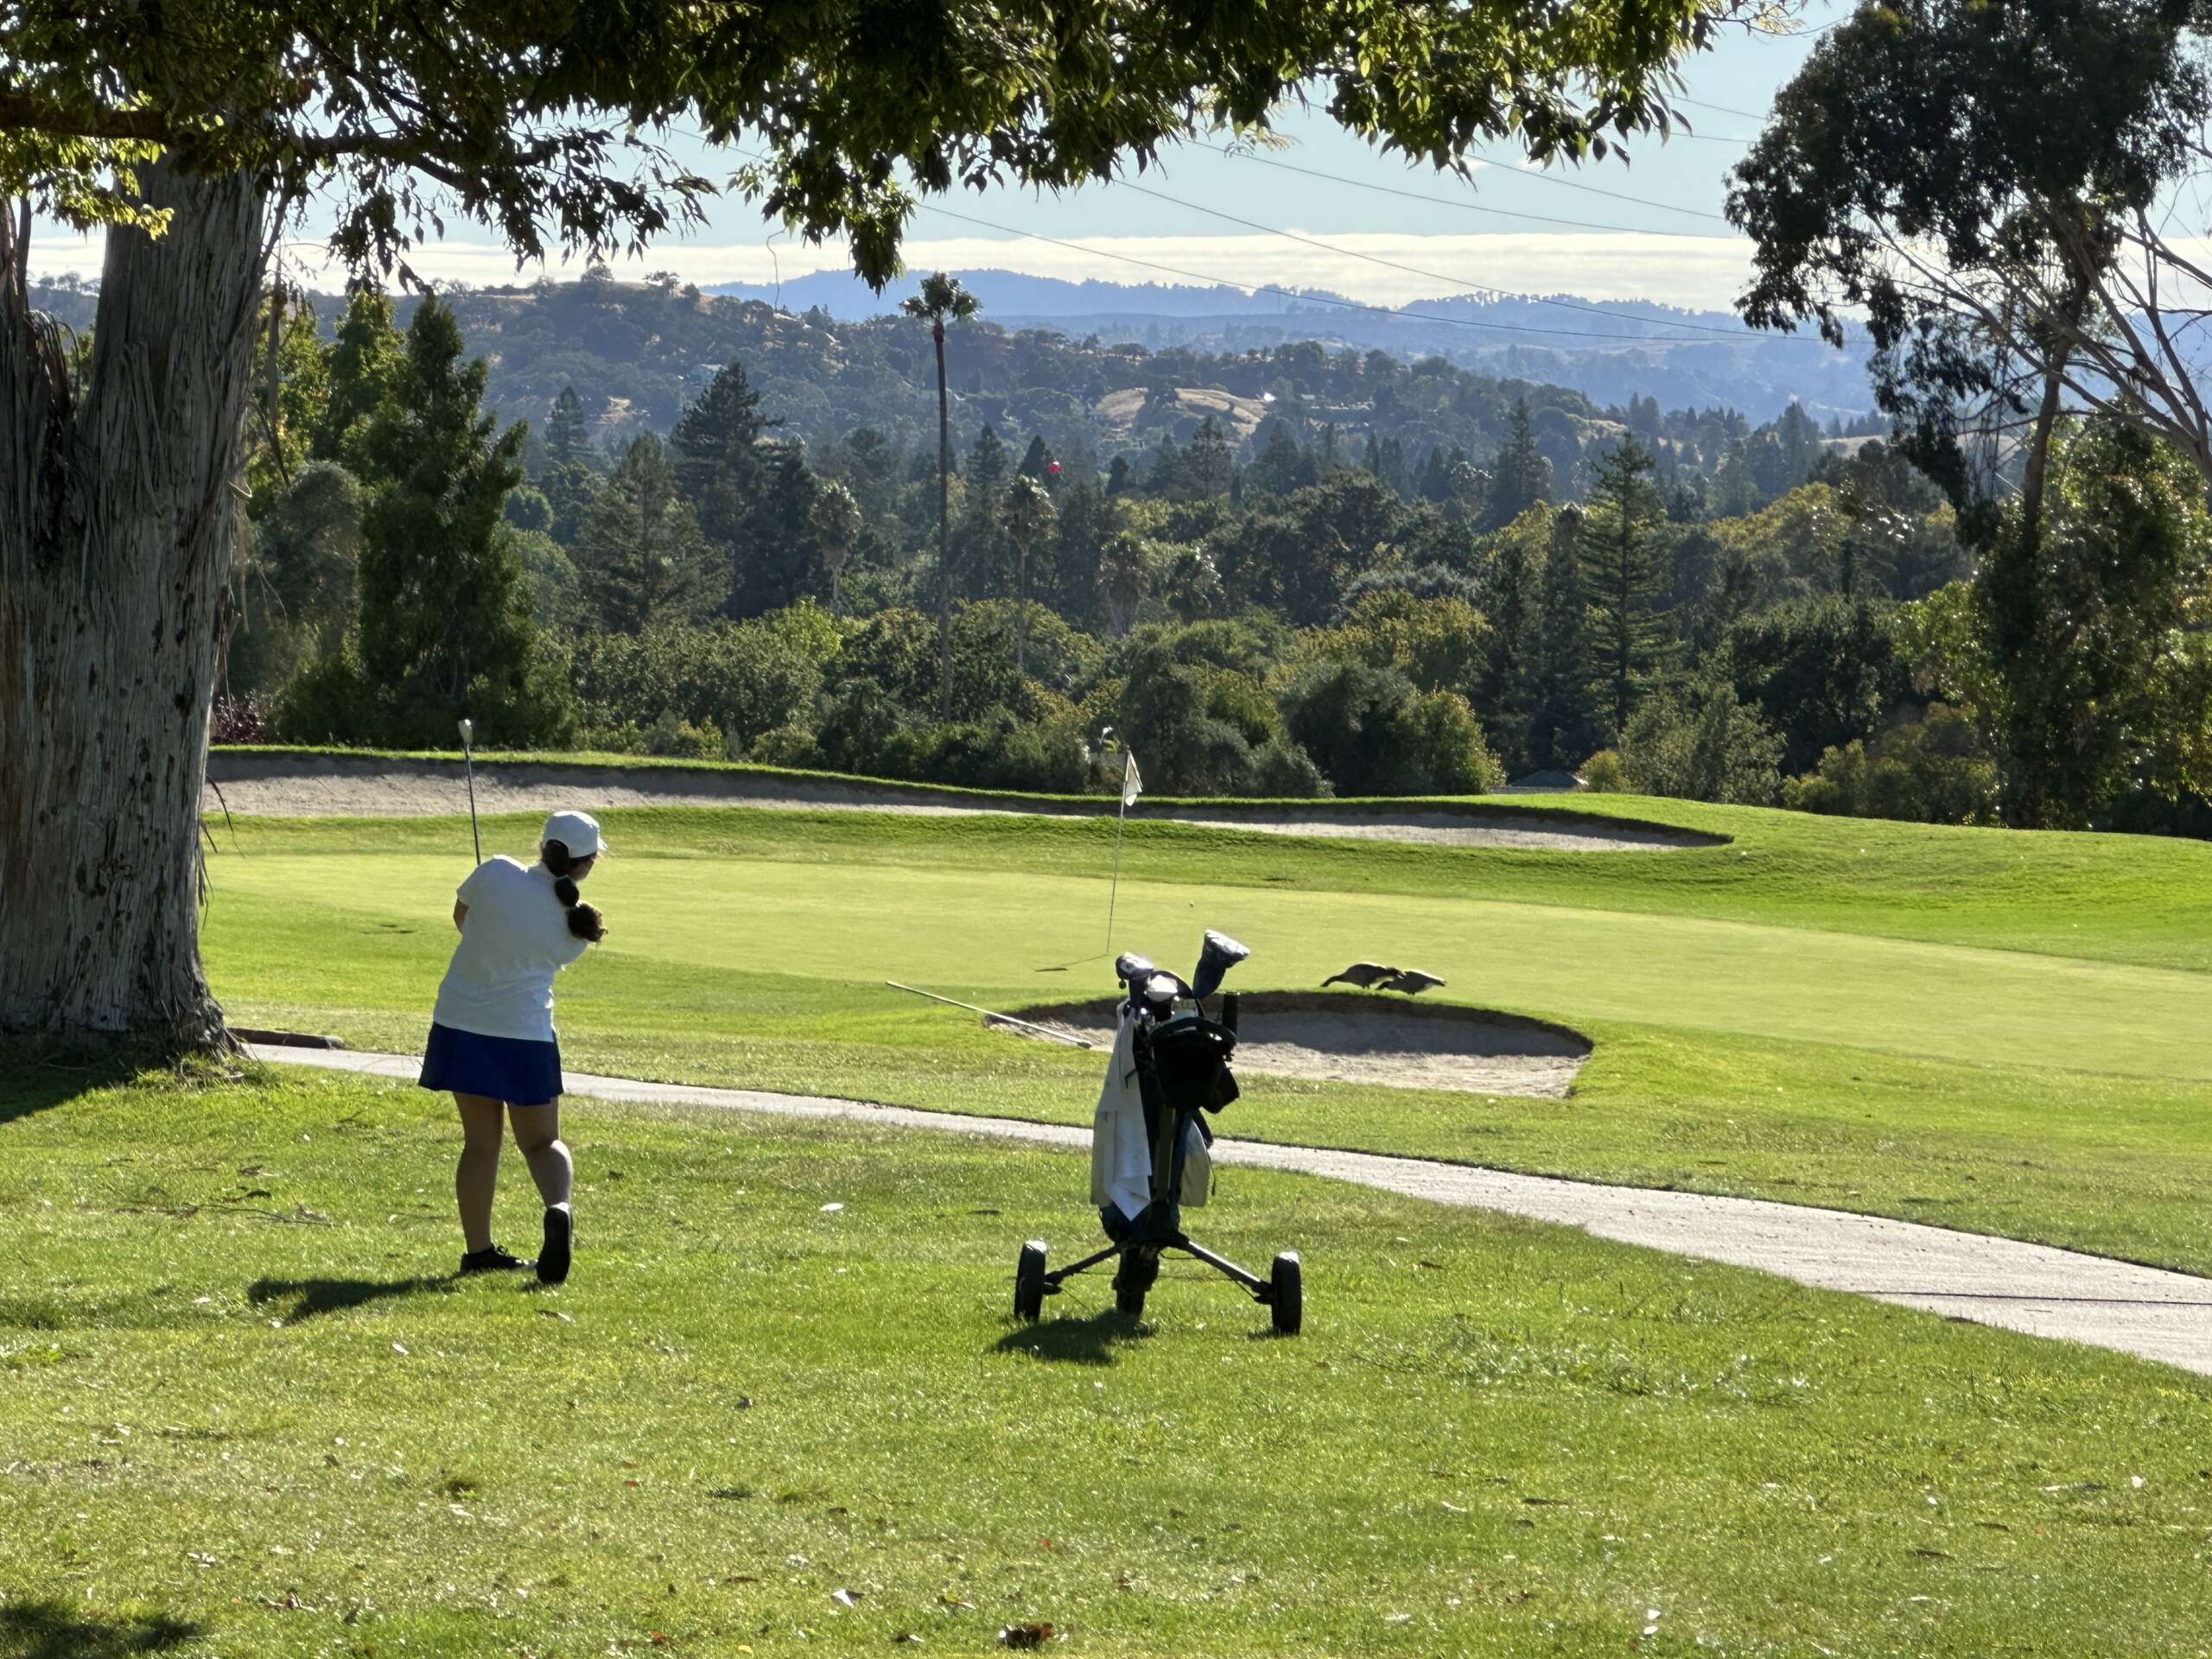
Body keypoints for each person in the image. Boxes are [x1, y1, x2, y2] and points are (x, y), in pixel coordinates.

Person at [417, 809, 609, 1284]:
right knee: (542, 1143)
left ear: (543, 846)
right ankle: (558, 1206)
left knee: (480, 1144)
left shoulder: (496, 871)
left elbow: (462, 917)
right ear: (585, 864)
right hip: (524, 1036)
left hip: (461, 1024)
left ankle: (478, 1251)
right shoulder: (575, 926)